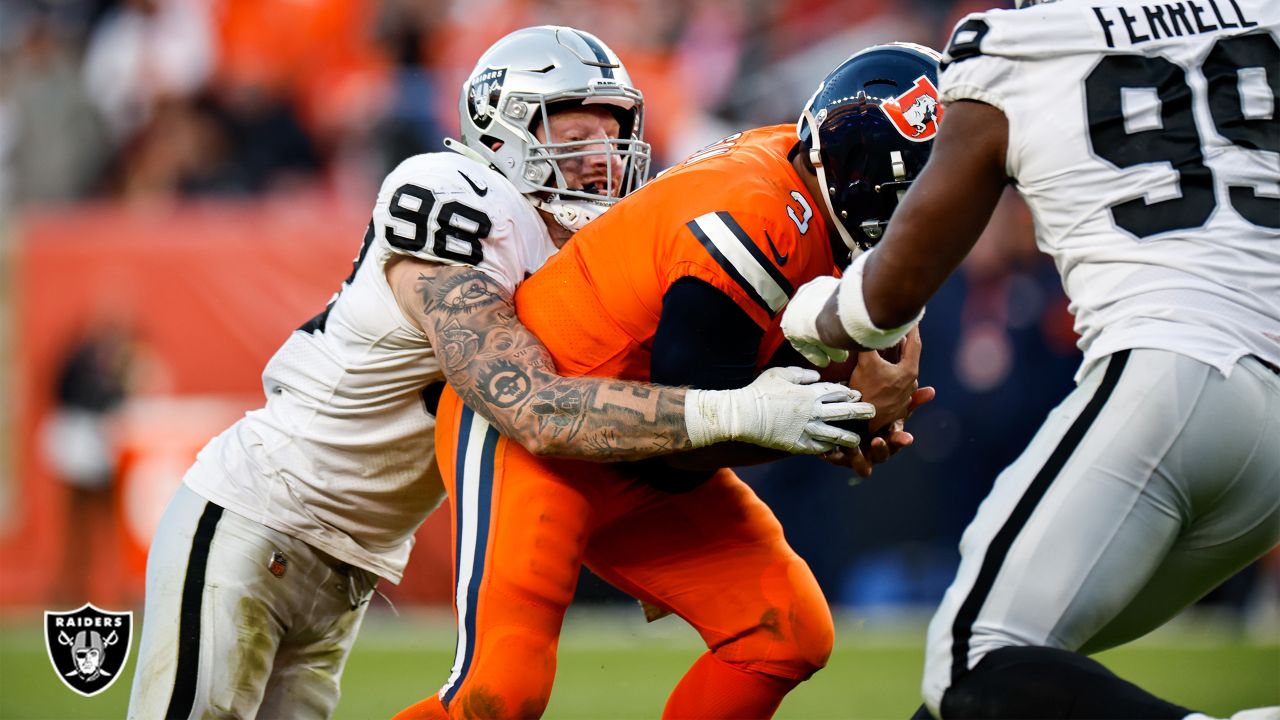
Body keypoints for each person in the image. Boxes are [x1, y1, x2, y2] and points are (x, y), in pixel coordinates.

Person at [126, 26, 874, 720]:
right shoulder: (457, 197)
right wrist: (737, 412)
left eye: (615, 135)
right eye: (576, 134)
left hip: (345, 561)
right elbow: (532, 408)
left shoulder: (594, 255)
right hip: (257, 515)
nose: (602, 157)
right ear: (502, 130)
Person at [394, 43, 942, 720]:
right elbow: (692, 433)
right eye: (903, 188)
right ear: (853, 167)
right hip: (540, 436)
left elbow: (699, 431)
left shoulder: (807, 189)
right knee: (499, 695)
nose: (922, 216)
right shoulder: (757, 215)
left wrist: (834, 410)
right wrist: (837, 415)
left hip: (646, 449)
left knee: (786, 636)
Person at [779, 1, 1280, 718]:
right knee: (1010, 679)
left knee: (971, 660)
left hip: (1171, 376)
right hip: (1263, 435)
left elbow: (894, 286)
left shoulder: (1018, 42)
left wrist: (811, 317)